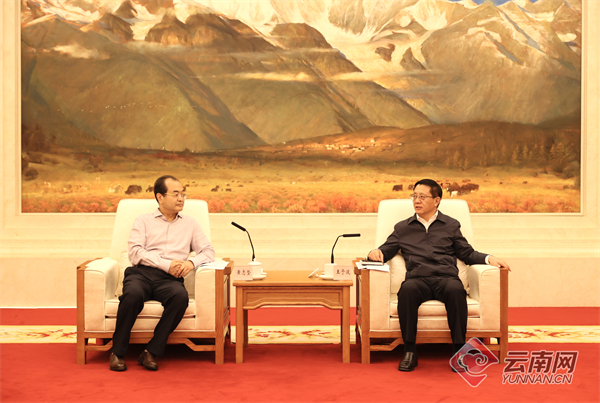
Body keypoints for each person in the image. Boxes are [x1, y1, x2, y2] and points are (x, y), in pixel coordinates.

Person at [366, 179, 510, 372]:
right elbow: (386, 250)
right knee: (407, 291)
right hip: (417, 279)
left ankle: (459, 352)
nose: (417, 201)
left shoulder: (450, 225)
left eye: (422, 197)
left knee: (456, 291)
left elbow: (467, 253)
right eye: (414, 196)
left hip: (446, 278)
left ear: (436, 200)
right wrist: (374, 252)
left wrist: (489, 258)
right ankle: (410, 351)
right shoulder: (403, 228)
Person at [109, 175, 215, 371]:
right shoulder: (143, 221)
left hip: (170, 279)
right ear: (160, 197)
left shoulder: (190, 224)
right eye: (175, 194)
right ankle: (117, 352)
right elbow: (135, 253)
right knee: (132, 295)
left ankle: (151, 351)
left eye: (183, 194)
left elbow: (208, 252)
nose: (181, 198)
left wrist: (191, 263)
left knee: (180, 297)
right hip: (141, 274)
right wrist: (166, 264)